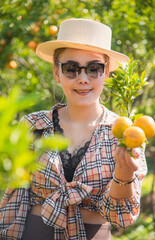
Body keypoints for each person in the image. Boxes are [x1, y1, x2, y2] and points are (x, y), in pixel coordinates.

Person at [0, 18, 147, 240]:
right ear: (56, 73)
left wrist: (124, 175)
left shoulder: (125, 134)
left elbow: (122, 218)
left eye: (93, 68)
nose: (83, 78)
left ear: (106, 72)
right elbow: (14, 199)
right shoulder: (33, 126)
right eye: (71, 68)